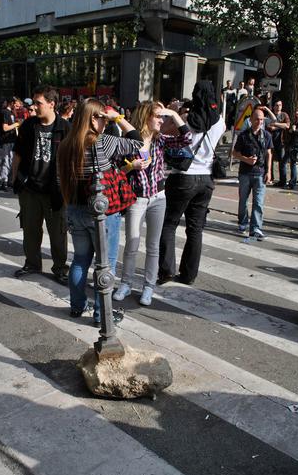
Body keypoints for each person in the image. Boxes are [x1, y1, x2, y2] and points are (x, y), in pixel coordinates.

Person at [57, 98, 143, 325]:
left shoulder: (65, 144)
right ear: (93, 119)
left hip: (74, 207)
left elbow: (59, 180)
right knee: (105, 264)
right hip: (101, 212)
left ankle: (77, 306)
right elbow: (138, 142)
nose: (106, 122)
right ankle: (101, 315)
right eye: (103, 118)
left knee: (80, 260)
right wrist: (119, 118)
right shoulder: (103, 142)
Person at [113, 102, 189, 306]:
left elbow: (186, 138)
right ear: (145, 117)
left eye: (163, 117)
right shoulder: (129, 142)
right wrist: (132, 166)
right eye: (157, 116)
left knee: (153, 246)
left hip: (158, 198)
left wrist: (173, 113)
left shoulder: (160, 140)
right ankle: (126, 283)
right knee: (132, 244)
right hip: (136, 199)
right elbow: (116, 170)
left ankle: (148, 286)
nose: (161, 120)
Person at [158, 81, 225, 285]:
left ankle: (167, 271)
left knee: (169, 224)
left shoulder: (188, 119)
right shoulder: (220, 121)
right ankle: (189, 275)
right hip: (206, 178)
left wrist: (175, 112)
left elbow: (164, 131)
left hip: (183, 176)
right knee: (195, 229)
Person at [11, 85, 70, 283]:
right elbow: (18, 154)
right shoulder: (28, 125)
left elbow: (72, 160)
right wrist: (14, 179)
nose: (34, 107)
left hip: (55, 192)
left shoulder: (65, 128)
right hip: (30, 189)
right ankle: (32, 263)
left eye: (38, 103)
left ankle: (60, 268)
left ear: (52, 104)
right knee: (30, 230)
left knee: (58, 233)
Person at [233, 107, 273, 239]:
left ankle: (256, 228)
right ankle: (243, 222)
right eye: (257, 119)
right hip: (245, 173)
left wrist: (269, 171)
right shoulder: (243, 136)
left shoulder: (266, 135)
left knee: (258, 202)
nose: (259, 122)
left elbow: (269, 153)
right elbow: (234, 153)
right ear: (251, 120)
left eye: (261, 120)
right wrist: (246, 159)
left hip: (260, 173)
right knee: (243, 201)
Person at [266, 100, 290, 186]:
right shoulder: (270, 114)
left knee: (282, 161)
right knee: (270, 159)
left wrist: (276, 125)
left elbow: (287, 125)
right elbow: (268, 125)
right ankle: (270, 177)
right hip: (271, 140)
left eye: (280, 105)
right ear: (273, 106)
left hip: (281, 141)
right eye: (277, 105)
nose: (278, 107)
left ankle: (283, 180)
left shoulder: (284, 115)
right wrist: (280, 125)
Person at [0, 98, 21, 191]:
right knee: (6, 161)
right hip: (6, 140)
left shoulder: (11, 113)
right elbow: (5, 128)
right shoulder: (5, 112)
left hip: (12, 140)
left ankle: (9, 181)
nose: (17, 108)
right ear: (11, 103)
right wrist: (16, 124)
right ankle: (3, 181)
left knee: (11, 161)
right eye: (16, 105)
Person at [284, 108, 298, 189]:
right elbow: (293, 133)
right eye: (296, 111)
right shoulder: (295, 121)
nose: (296, 112)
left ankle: (292, 183)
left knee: (293, 164)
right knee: (287, 162)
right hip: (292, 144)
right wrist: (291, 131)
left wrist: (295, 130)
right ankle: (287, 181)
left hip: (297, 145)